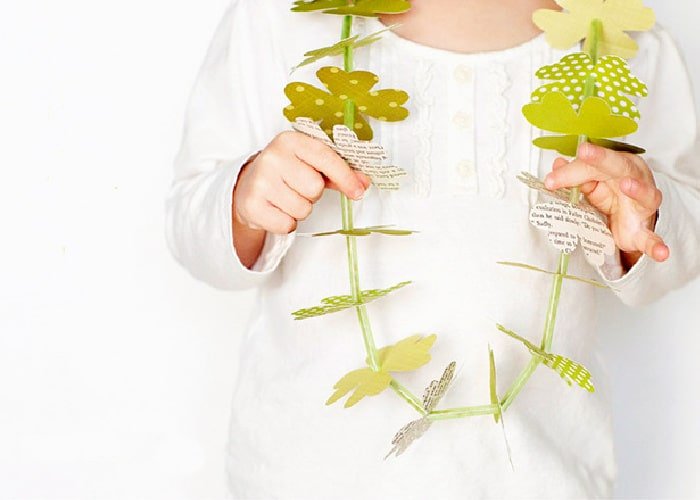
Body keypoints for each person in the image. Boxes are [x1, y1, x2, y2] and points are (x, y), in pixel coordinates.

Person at [165, 0, 700, 497]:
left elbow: (680, 244)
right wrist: (244, 200)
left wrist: (646, 217)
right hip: (317, 473)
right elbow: (191, 226)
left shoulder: (625, 39)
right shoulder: (278, 19)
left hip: (538, 474)